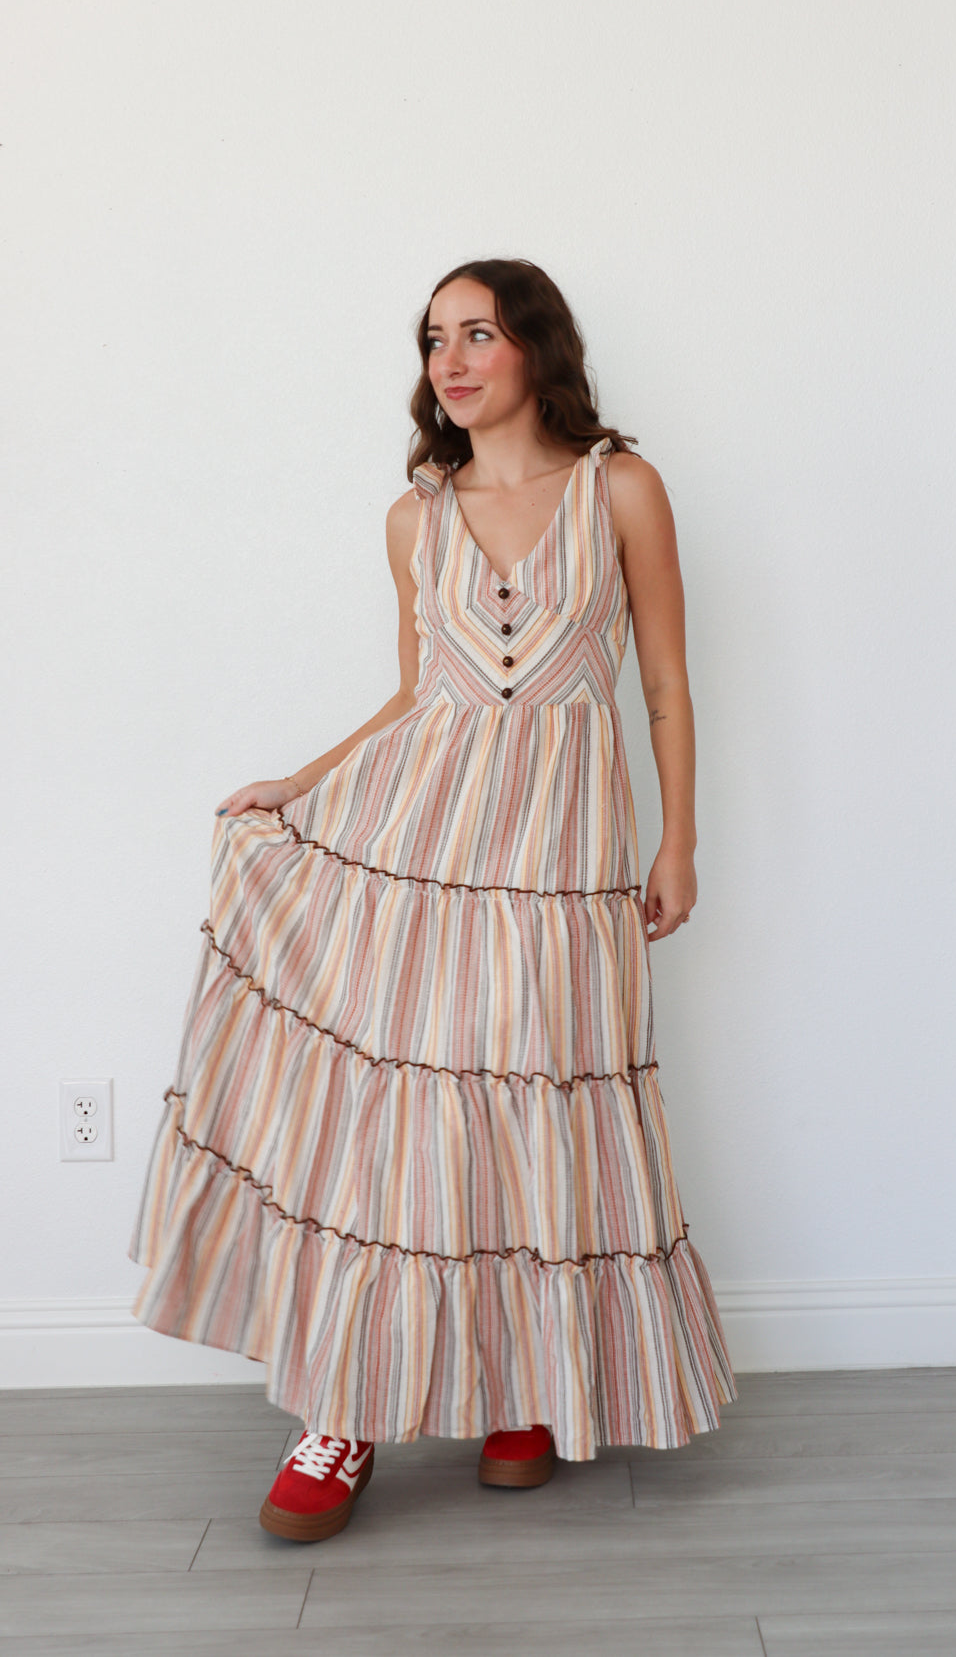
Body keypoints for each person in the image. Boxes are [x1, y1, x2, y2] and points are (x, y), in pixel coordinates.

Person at [129, 258, 737, 1543]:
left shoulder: (621, 488)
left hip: (564, 857)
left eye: (476, 334)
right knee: (403, 1121)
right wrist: (302, 783)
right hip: (426, 847)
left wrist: (679, 841)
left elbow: (664, 684)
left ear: (535, 347)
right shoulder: (415, 518)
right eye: (432, 339)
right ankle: (339, 1411)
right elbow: (422, 695)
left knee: (542, 1107)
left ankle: (523, 1391)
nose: (448, 362)